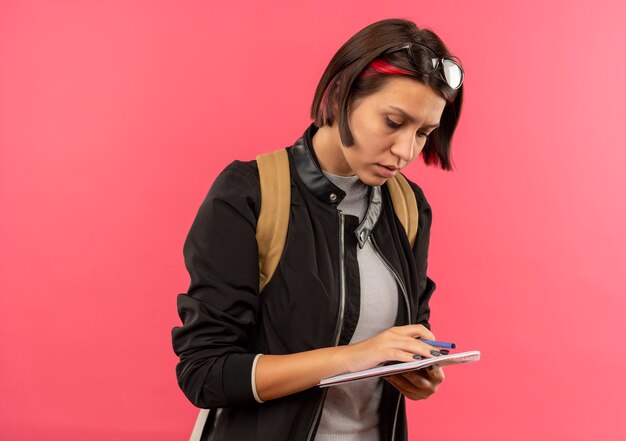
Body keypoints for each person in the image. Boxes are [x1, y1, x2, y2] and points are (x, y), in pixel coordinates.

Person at [171, 17, 464, 441]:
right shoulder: (249, 194)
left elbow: (410, 335)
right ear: (342, 94)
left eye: (424, 133)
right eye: (393, 122)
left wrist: (419, 372)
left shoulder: (408, 206)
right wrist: (355, 356)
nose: (406, 151)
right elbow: (205, 373)